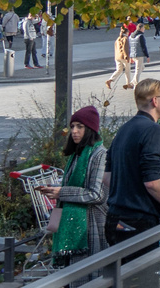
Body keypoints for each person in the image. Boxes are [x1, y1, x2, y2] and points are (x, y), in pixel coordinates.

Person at [105, 79, 160, 243]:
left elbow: (107, 177)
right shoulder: (153, 130)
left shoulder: (124, 129)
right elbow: (152, 182)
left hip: (114, 218)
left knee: (120, 268)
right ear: (155, 101)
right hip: (138, 220)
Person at [37, 107, 108, 259]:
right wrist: (54, 189)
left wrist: (61, 192)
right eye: (72, 126)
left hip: (91, 225)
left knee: (89, 276)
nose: (74, 131)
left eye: (80, 126)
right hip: (75, 223)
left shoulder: (100, 154)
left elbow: (96, 194)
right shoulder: (78, 154)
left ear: (90, 129)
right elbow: (75, 186)